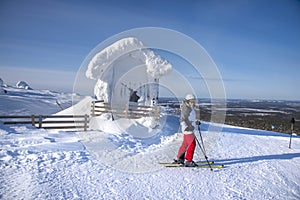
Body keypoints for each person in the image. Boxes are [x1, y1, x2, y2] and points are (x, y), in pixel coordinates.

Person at [174, 94, 198, 167]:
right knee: (192, 144)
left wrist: (195, 122)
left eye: (194, 101)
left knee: (185, 144)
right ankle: (188, 160)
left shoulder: (189, 107)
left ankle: (180, 158)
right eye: (191, 101)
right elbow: (182, 120)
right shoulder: (186, 109)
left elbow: (190, 118)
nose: (193, 103)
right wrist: (187, 127)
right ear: (188, 101)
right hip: (188, 129)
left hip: (189, 129)